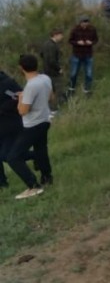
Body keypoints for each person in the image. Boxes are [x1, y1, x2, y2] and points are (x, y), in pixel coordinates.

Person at [7, 54, 53, 199]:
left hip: (32, 124)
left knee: (13, 157)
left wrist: (21, 98)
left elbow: (22, 111)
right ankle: (47, 178)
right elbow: (51, 97)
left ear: (21, 68)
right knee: (41, 150)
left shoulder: (31, 85)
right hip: (45, 120)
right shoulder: (45, 78)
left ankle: (33, 186)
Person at [0, 70, 23, 190]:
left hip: (10, 124)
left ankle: (36, 156)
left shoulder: (7, 83)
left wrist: (2, 109)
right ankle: (2, 183)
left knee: (5, 155)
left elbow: (20, 96)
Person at [67, 15, 99, 95]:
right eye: (83, 22)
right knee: (73, 73)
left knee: (89, 74)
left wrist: (91, 42)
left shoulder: (92, 29)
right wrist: (77, 42)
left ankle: (87, 90)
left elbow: (96, 40)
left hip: (88, 54)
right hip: (77, 54)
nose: (85, 24)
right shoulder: (75, 30)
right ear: (80, 22)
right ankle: (71, 89)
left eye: (86, 22)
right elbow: (70, 40)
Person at [39, 28, 64, 112]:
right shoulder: (52, 45)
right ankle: (54, 109)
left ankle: (49, 108)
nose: (62, 37)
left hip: (46, 70)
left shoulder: (45, 44)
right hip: (53, 72)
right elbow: (52, 60)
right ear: (55, 35)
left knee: (49, 90)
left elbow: (41, 54)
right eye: (61, 35)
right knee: (57, 90)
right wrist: (59, 68)